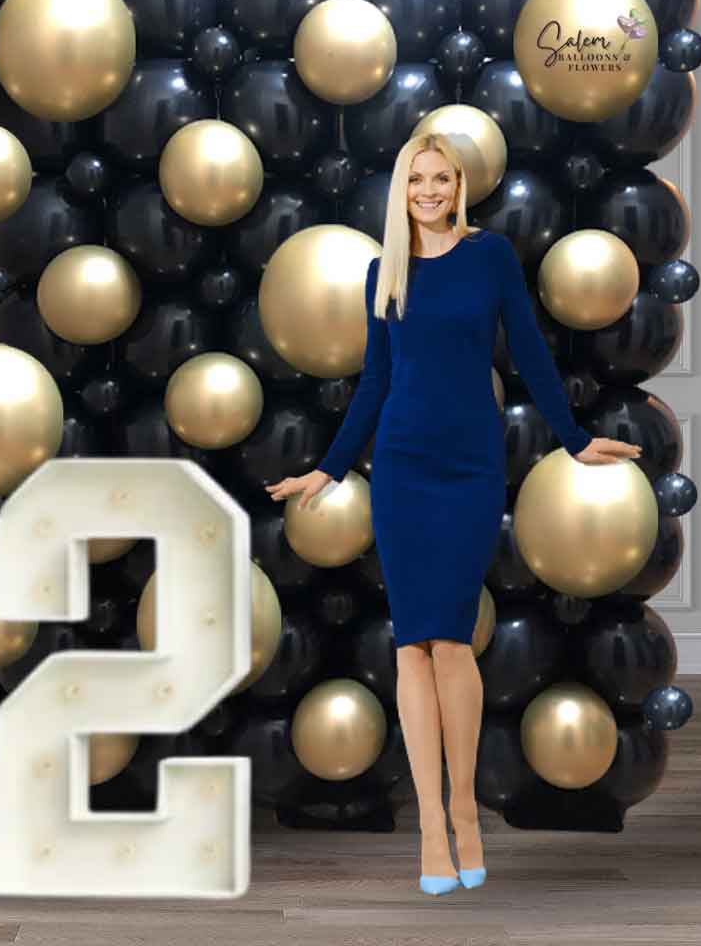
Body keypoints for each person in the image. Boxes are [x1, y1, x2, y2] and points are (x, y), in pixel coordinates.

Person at [265, 133, 641, 896]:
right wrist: (330, 468)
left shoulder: (491, 257)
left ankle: (464, 811)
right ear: (401, 190)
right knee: (414, 646)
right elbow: (375, 380)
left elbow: (531, 352)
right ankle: (432, 831)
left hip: (472, 465)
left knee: (453, 644)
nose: (429, 191)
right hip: (402, 467)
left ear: (459, 184)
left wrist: (572, 439)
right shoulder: (384, 271)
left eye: (442, 178)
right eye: (417, 180)